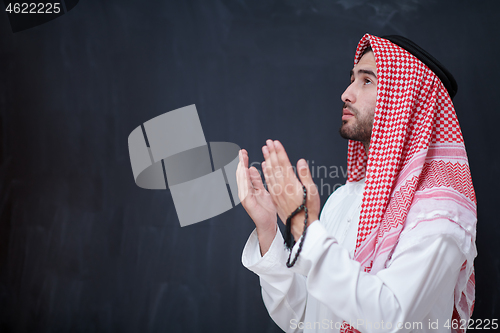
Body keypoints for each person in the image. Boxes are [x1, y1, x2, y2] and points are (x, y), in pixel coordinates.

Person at [236, 34, 477, 333]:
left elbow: (387, 317)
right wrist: (269, 229)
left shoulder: (439, 213)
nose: (346, 93)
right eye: (352, 79)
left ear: (404, 100)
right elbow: (302, 319)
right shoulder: (343, 199)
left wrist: (303, 227)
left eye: (367, 81)